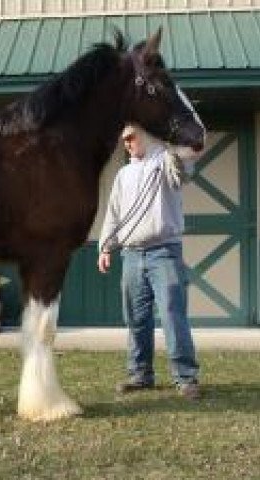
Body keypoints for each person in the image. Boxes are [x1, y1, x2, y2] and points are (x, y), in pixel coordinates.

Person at [98, 123, 200, 400]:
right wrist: (105, 247)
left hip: (164, 252)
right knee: (136, 318)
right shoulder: (123, 174)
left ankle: (186, 377)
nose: (127, 144)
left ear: (144, 135)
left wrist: (176, 149)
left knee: (172, 314)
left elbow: (182, 174)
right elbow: (113, 212)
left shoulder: (166, 161)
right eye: (124, 140)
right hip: (131, 254)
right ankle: (140, 374)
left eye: (131, 138)